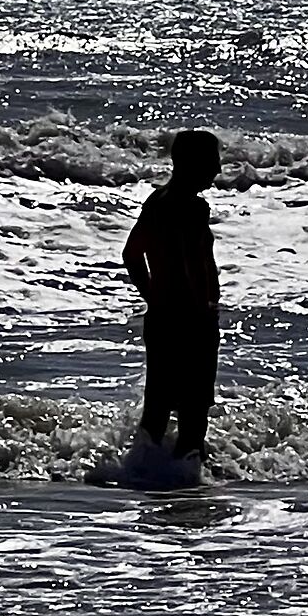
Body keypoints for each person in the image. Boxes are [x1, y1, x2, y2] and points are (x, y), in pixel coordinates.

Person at [123, 127, 223, 461]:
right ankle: (185, 489)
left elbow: (132, 255)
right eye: (212, 161)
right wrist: (199, 309)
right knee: (193, 412)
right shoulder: (185, 208)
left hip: (165, 317)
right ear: (191, 163)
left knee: (159, 406)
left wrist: (154, 297)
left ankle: (146, 477)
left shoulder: (159, 201)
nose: (218, 169)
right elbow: (186, 265)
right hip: (189, 321)